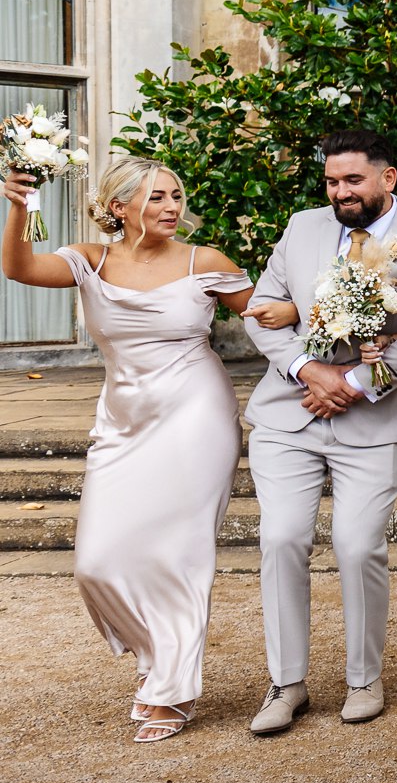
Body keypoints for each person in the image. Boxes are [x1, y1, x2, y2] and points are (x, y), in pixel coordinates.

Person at [2, 158, 254, 742]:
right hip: (123, 419)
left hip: (196, 413)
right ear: (118, 207)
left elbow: (270, 316)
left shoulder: (205, 262)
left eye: (176, 195)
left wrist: (348, 311)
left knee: (179, 552)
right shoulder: (89, 260)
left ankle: (169, 686)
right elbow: (19, 268)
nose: (172, 207)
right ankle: (155, 656)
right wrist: (19, 208)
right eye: (157, 197)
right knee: (96, 560)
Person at [240, 130, 397, 735]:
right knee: (282, 538)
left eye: (353, 181)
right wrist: (308, 369)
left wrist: (357, 383)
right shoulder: (302, 227)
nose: (340, 192)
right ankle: (286, 683)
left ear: (387, 179)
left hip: (374, 417)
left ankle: (364, 678)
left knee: (357, 544)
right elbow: (263, 310)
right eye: (333, 182)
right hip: (290, 412)